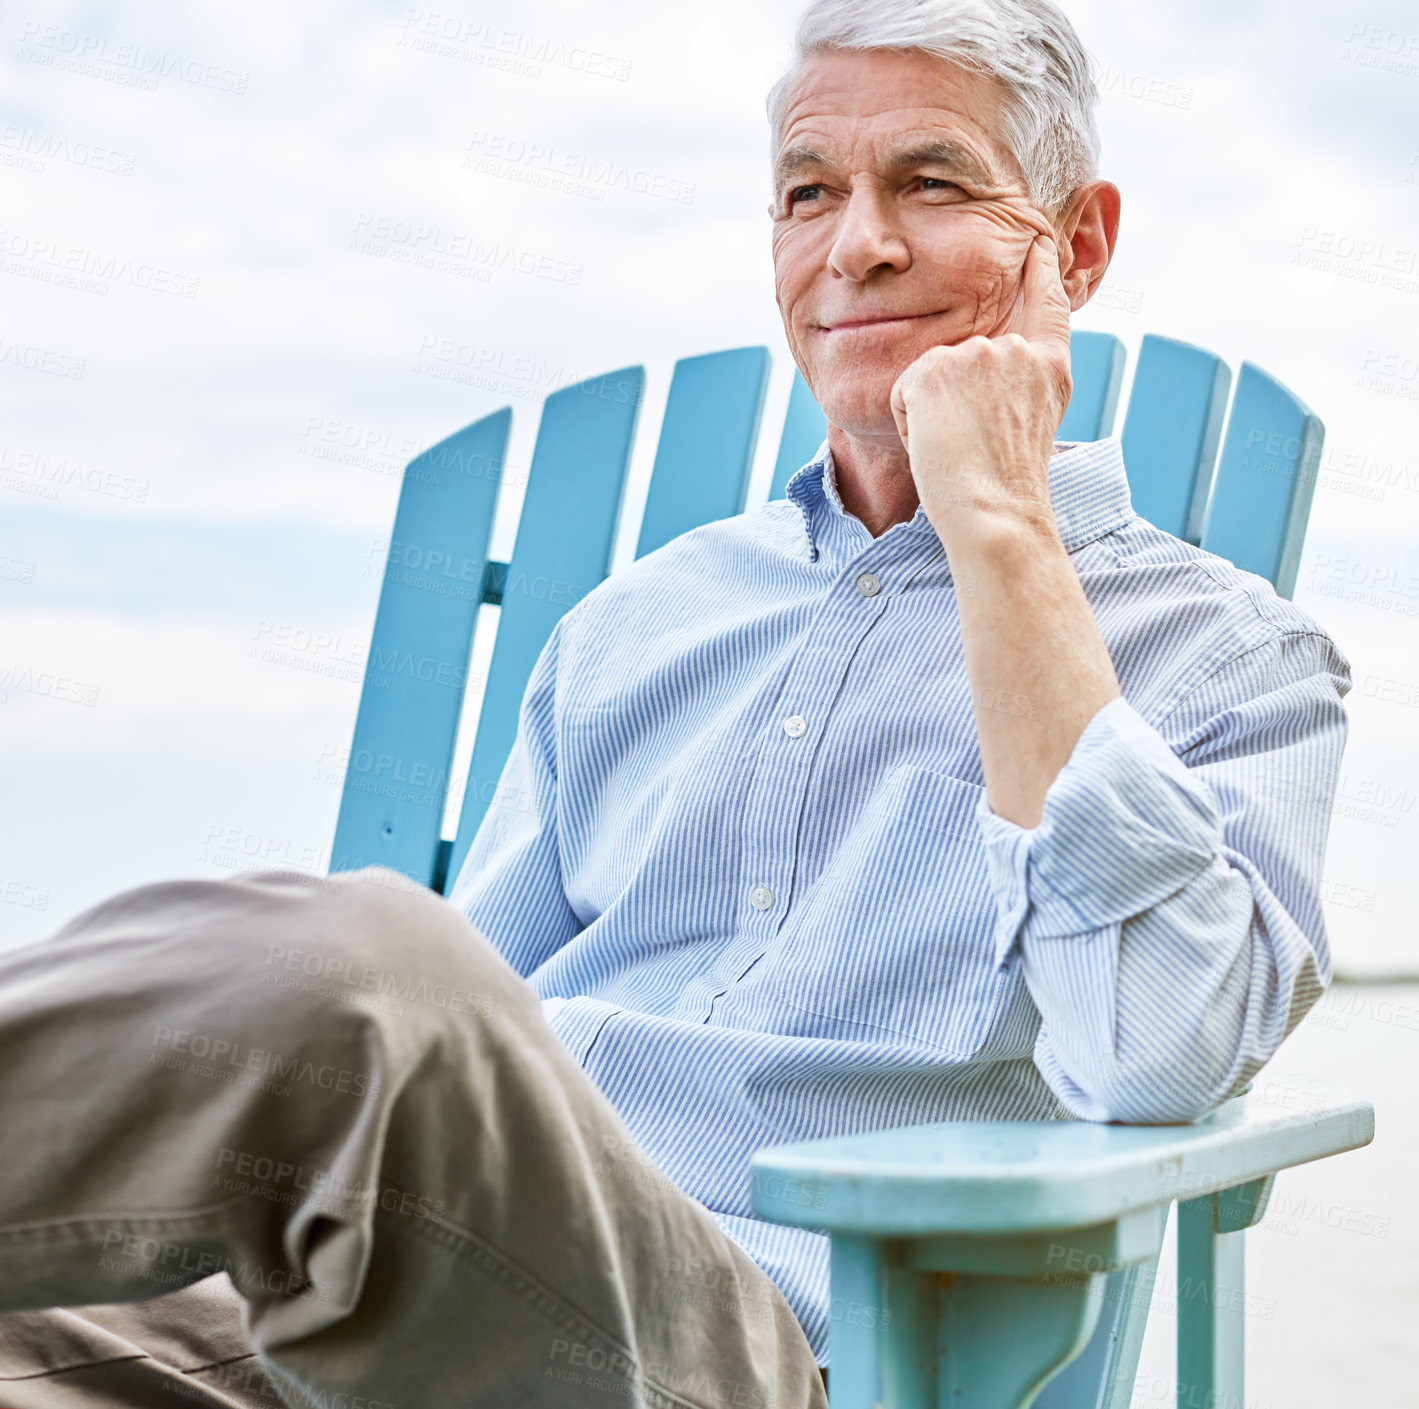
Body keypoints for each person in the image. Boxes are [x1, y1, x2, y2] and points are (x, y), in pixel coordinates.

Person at [0, 1, 1349, 1405]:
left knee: (361, 957)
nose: (857, 244)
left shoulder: (1229, 660)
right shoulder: (631, 631)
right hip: (397, 1309)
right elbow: (477, 1027)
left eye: (931, 182)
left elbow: (1155, 1051)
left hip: (758, 1351)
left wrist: (1002, 523)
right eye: (808, 194)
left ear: (1075, 244)